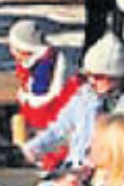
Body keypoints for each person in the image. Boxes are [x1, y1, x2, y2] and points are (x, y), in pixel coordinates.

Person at [22, 33, 124, 170]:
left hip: (122, 175)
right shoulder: (85, 96)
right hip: (76, 171)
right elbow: (59, 129)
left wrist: (110, 160)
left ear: (119, 76)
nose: (91, 81)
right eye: (88, 75)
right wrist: (33, 148)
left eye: (98, 77)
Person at [7, 19, 79, 169]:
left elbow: (40, 99)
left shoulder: (43, 69)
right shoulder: (38, 61)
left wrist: (25, 96)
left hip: (49, 119)